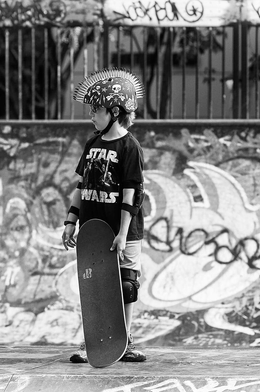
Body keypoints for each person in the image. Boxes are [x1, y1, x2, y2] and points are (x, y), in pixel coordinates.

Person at [62, 68, 147, 363]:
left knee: (126, 285)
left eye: (96, 110)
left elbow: (131, 194)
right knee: (95, 285)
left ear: (114, 111)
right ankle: (92, 342)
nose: (91, 116)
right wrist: (71, 221)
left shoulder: (130, 147)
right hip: (94, 229)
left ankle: (124, 340)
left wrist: (123, 233)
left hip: (123, 231)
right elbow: (81, 185)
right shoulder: (92, 144)